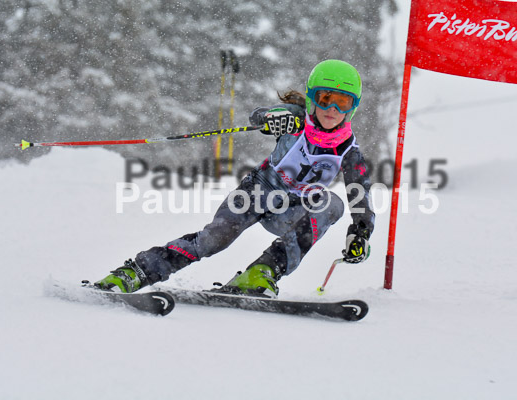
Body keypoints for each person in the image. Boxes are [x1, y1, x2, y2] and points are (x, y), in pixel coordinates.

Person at [95, 59, 375, 298]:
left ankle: (262, 273)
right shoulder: (297, 118)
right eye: (326, 99)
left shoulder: (350, 150)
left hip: (292, 210)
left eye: (342, 103)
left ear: (352, 108)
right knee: (214, 239)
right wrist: (274, 118)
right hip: (258, 191)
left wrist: (360, 233)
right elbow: (260, 116)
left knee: (332, 203)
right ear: (313, 98)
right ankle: (137, 272)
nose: (333, 110)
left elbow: (359, 192)